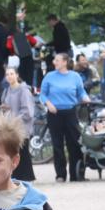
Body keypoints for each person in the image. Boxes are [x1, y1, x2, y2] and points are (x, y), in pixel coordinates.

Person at [39, 53, 90, 183]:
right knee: (57, 145)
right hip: (54, 114)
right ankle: (60, 175)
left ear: (64, 62)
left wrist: (85, 98)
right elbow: (42, 94)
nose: (54, 62)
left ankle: (76, 174)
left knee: (74, 143)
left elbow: (81, 92)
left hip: (70, 112)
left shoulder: (75, 76)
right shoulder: (49, 76)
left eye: (57, 60)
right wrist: (48, 104)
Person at [0, 67, 35, 182]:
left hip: (22, 129)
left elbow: (28, 112)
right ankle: (16, 178)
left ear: (17, 75)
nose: (9, 76)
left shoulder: (24, 90)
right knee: (13, 154)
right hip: (11, 129)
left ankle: (26, 179)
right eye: (7, 74)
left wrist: (14, 119)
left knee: (23, 154)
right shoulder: (6, 91)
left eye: (12, 74)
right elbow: (6, 108)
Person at [5, 13, 39, 91]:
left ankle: (21, 90)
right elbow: (35, 43)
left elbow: (8, 47)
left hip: (18, 58)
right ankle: (29, 90)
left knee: (21, 75)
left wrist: (13, 52)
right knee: (29, 75)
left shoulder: (10, 37)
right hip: (28, 57)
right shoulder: (26, 35)